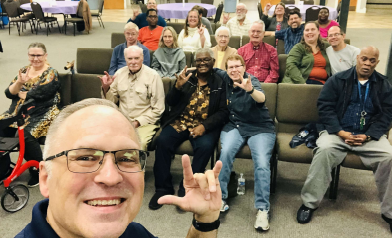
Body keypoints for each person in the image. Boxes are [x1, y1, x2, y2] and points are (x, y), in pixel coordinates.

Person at [16, 98, 223, 238]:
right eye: (86, 157)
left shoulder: (134, 233)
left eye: (126, 158)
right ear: (45, 178)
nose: (111, 176)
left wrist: (205, 220)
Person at [297, 46, 392, 234]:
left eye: (372, 61)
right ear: (357, 58)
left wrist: (369, 135)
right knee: (323, 150)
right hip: (337, 133)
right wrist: (340, 132)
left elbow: (387, 114)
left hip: (369, 136)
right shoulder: (337, 80)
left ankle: (389, 212)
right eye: (364, 59)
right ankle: (309, 204)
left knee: (389, 157)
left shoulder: (383, 84)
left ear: (377, 63)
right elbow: (325, 107)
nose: (367, 63)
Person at [150, 48, 229, 210]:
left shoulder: (220, 82)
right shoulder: (187, 78)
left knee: (206, 147)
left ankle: (187, 188)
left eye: (206, 60)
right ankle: (163, 188)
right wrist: (177, 87)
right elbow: (171, 102)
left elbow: (224, 111)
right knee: (163, 141)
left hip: (204, 126)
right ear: (194, 63)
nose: (202, 63)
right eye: (199, 60)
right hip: (181, 121)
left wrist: (204, 126)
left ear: (213, 62)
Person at [215, 55, 276, 231]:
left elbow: (261, 98)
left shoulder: (251, 80)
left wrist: (249, 90)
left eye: (237, 66)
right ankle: (221, 198)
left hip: (260, 128)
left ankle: (263, 209)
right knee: (224, 153)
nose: (234, 70)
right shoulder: (225, 78)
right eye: (230, 67)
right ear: (227, 70)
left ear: (244, 66)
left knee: (262, 163)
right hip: (236, 125)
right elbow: (212, 68)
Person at [0, 42, 60, 187]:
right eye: (32, 55)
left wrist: (25, 93)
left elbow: (42, 94)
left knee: (24, 136)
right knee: (1, 127)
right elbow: (9, 93)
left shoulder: (51, 72)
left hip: (42, 112)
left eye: (39, 55)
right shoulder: (24, 70)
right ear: (28, 56)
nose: (35, 58)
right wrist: (19, 83)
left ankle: (39, 170)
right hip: (17, 112)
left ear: (45, 56)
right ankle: (4, 168)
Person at [100, 45, 165, 151]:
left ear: (142, 58)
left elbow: (158, 109)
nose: (133, 62)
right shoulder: (119, 73)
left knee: (138, 144)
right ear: (125, 59)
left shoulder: (153, 76)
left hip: (145, 123)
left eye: (136, 58)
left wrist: (137, 122)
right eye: (130, 58)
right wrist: (106, 89)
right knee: (105, 141)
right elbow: (111, 104)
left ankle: (136, 168)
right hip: (122, 121)